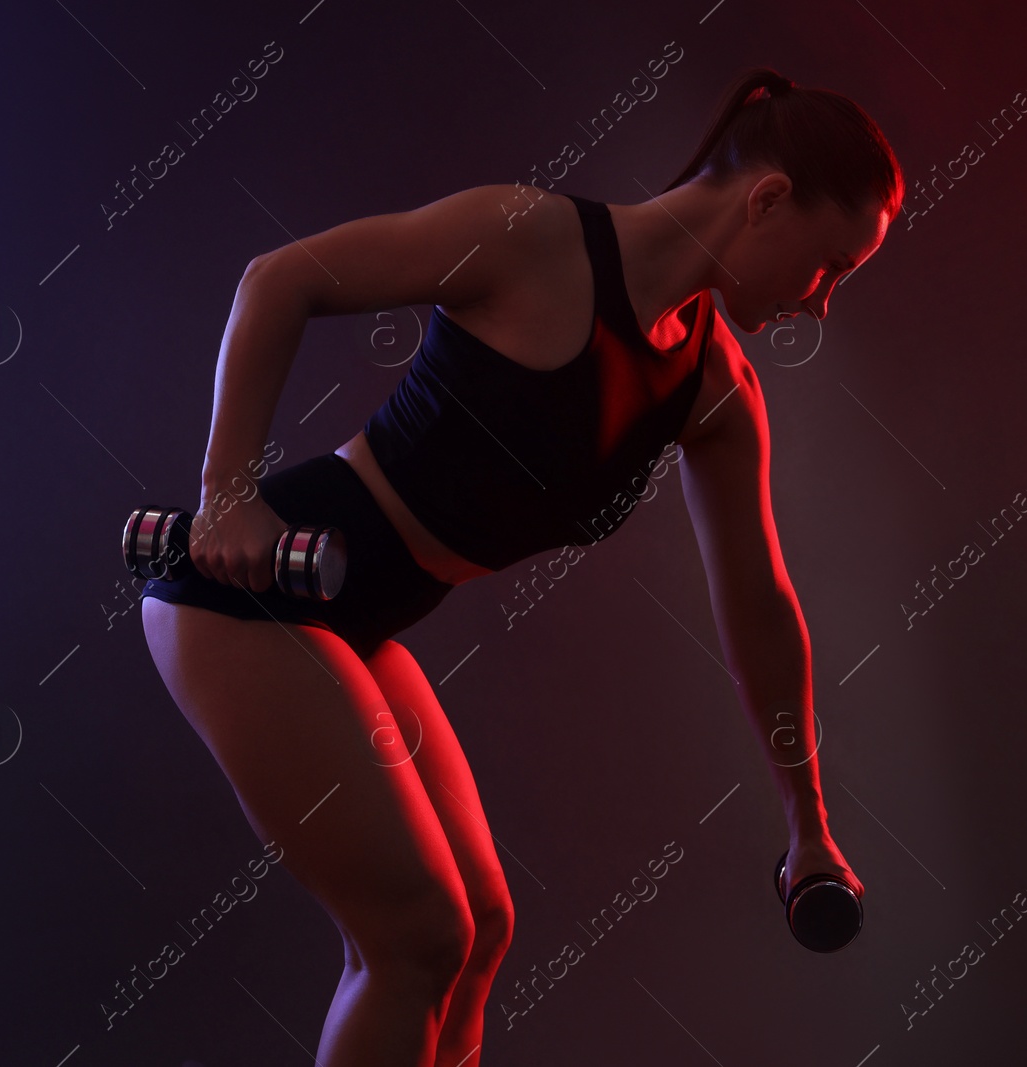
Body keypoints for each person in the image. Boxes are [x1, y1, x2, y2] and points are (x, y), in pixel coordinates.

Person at [138, 64, 902, 1066]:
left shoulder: (714, 387)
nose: (824, 301)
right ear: (768, 200)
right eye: (829, 266)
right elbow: (279, 279)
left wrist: (808, 821)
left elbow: (760, 609)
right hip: (252, 599)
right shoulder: (534, 238)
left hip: (357, 620)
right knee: (417, 937)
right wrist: (227, 492)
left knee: (480, 929)